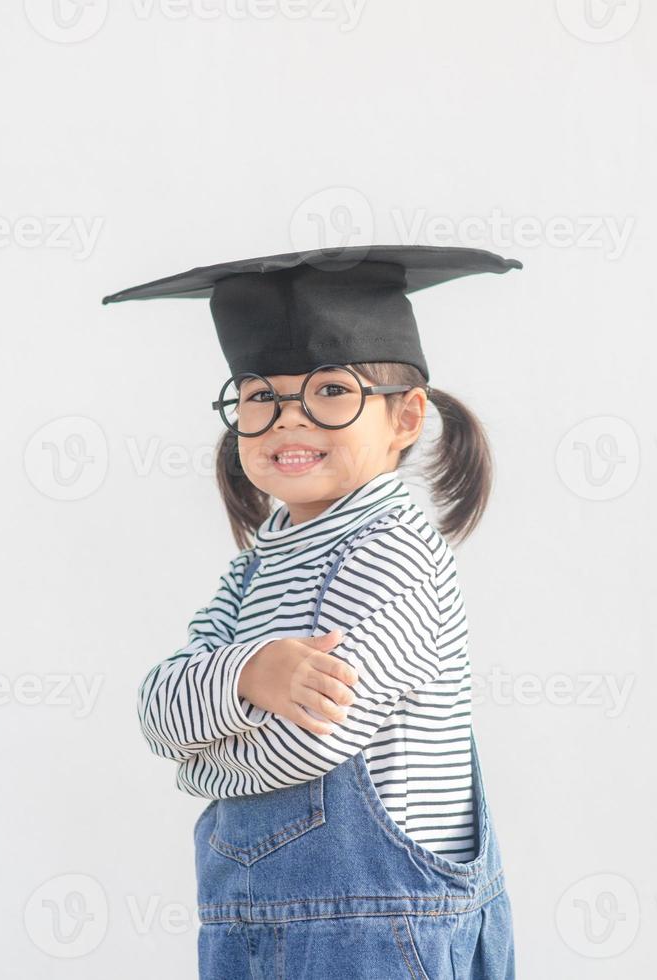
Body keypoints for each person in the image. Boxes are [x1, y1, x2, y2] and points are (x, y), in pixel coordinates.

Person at [104, 244, 521, 978]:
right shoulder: (256, 566)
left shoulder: (398, 555)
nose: (287, 421)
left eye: (332, 392)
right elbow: (155, 710)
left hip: (375, 933)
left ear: (405, 417)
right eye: (260, 396)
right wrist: (249, 673)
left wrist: (199, 765)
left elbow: (312, 744)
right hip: (249, 924)